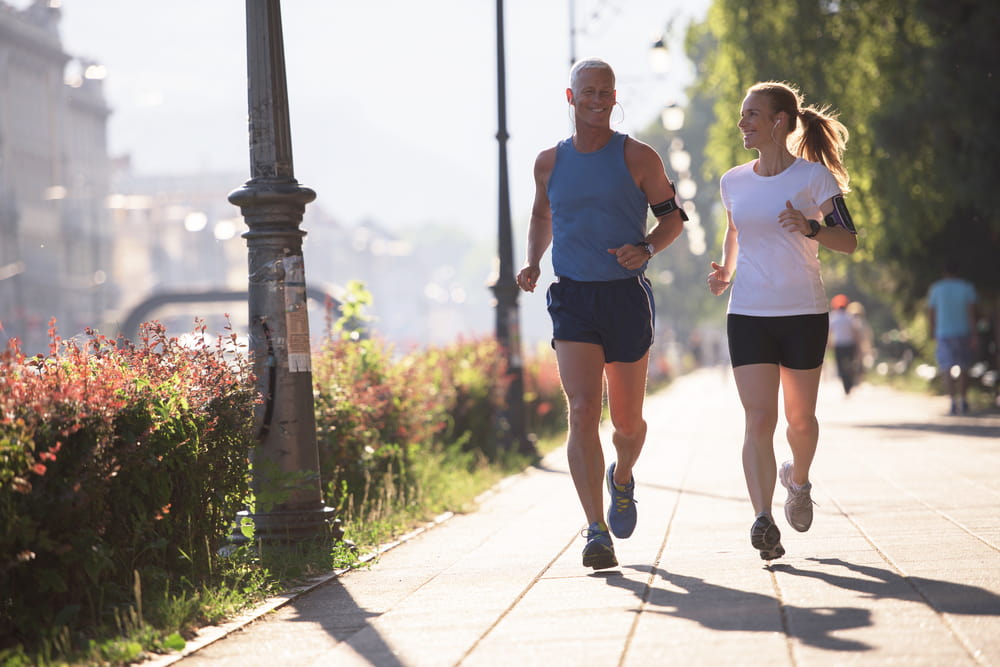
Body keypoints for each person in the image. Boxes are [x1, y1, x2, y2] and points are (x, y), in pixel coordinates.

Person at [516, 58, 685, 570]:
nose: (597, 99)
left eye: (605, 92)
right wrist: (532, 261)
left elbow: (673, 219)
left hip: (624, 296)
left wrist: (647, 248)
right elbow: (543, 213)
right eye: (587, 91)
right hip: (573, 298)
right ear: (571, 98)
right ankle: (595, 530)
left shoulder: (638, 157)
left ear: (615, 98)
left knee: (628, 423)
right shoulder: (549, 162)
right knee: (584, 408)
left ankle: (623, 477)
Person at [706, 81, 859, 561]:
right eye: (741, 113)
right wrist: (726, 271)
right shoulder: (733, 180)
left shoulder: (815, 179)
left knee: (801, 420)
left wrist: (812, 227)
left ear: (778, 121)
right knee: (758, 418)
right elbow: (734, 230)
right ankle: (763, 519)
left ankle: (798, 480)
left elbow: (849, 240)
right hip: (749, 313)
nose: (742, 122)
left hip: (803, 313)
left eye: (752, 114)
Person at [927, 260, 978, 415]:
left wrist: (932, 330)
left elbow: (931, 312)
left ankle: (952, 401)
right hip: (963, 331)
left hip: (943, 332)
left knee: (946, 367)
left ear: (944, 272)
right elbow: (972, 313)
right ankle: (963, 399)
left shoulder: (936, 288)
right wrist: (974, 333)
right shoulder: (966, 288)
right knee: (964, 366)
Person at [828, 293, 862, 395]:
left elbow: (829, 332)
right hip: (850, 344)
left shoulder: (833, 317)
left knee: (841, 367)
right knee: (850, 365)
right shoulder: (850, 317)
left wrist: (829, 344)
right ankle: (850, 384)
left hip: (839, 345)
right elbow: (855, 332)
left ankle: (846, 386)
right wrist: (858, 345)